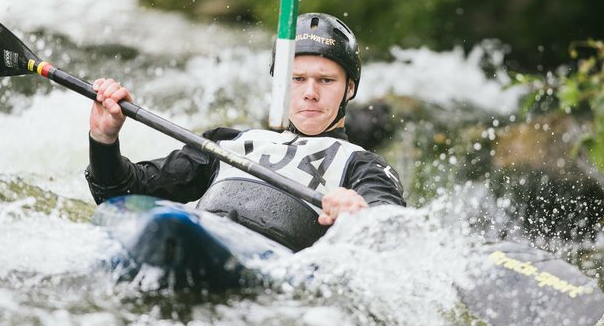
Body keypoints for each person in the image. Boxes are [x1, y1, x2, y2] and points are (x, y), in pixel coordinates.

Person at [85, 13, 405, 251]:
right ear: (280, 83)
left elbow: (393, 233)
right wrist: (103, 139)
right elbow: (119, 195)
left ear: (349, 88)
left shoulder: (362, 166)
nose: (310, 92)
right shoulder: (229, 142)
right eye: (297, 79)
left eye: (325, 80)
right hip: (201, 235)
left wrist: (360, 214)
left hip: (271, 267)